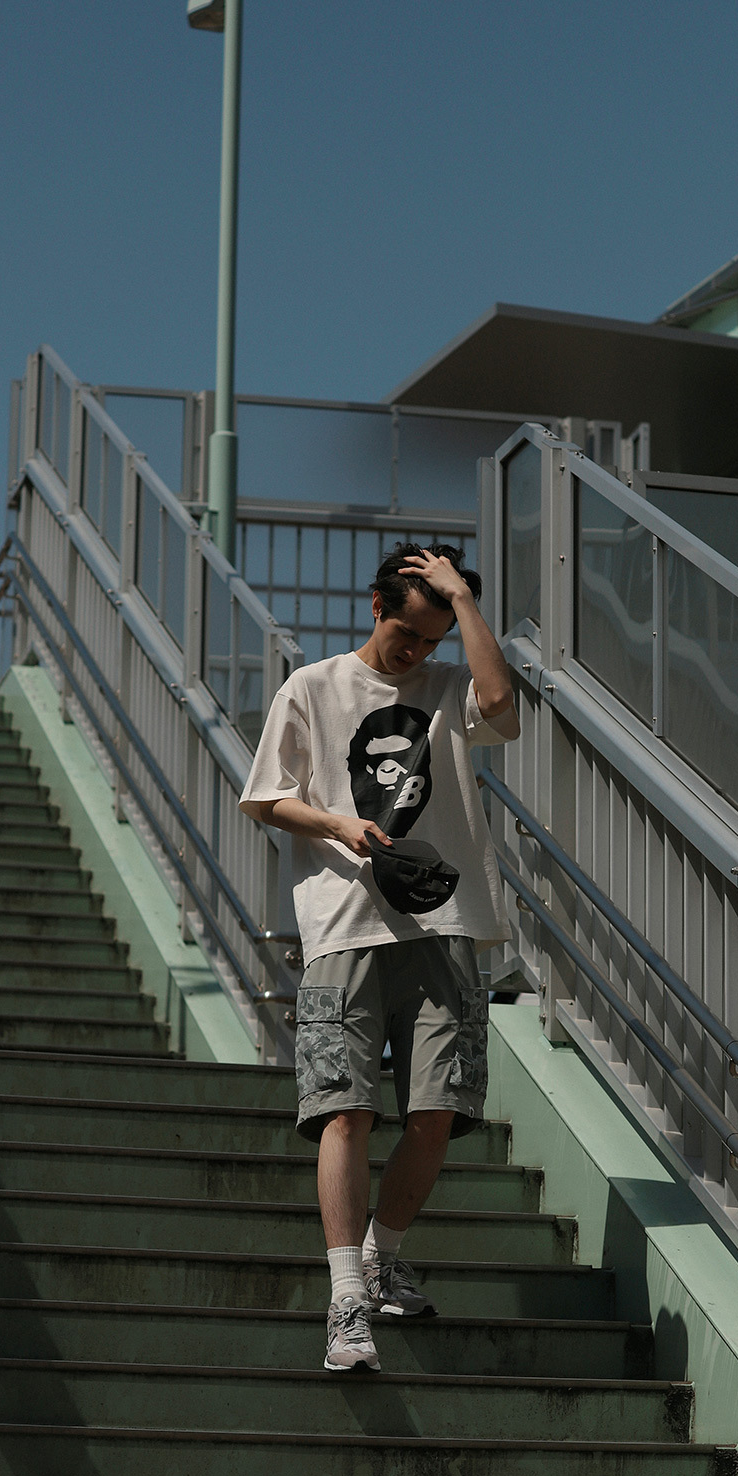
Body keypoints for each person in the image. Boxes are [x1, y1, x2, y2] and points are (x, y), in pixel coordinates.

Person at [239, 544, 519, 1371]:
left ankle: (381, 1257)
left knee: (437, 1113)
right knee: (345, 1111)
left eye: (433, 638)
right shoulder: (314, 686)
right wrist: (337, 823)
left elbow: (503, 709)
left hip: (444, 923)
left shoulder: (451, 686)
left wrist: (464, 602)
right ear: (375, 607)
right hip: (343, 925)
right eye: (407, 634)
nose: (416, 653)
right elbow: (265, 796)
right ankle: (346, 1301)